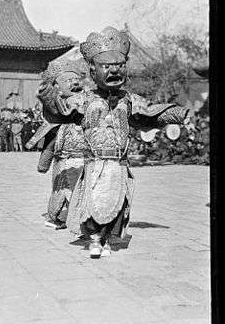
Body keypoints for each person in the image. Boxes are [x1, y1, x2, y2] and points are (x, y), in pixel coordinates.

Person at [66, 26, 189, 258]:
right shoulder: (84, 99)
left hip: (119, 164)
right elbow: (60, 109)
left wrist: (180, 114)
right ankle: (94, 240)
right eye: (107, 67)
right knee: (95, 201)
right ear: (93, 70)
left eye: (119, 66)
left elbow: (152, 112)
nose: (114, 71)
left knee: (117, 203)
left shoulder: (129, 100)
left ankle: (108, 240)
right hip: (95, 163)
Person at [26, 59, 87, 228]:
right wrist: (48, 87)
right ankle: (55, 216)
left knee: (82, 186)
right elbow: (50, 100)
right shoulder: (58, 103)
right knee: (62, 185)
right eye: (68, 81)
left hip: (84, 153)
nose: (74, 83)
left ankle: (79, 217)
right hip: (65, 153)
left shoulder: (86, 100)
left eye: (76, 80)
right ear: (58, 86)